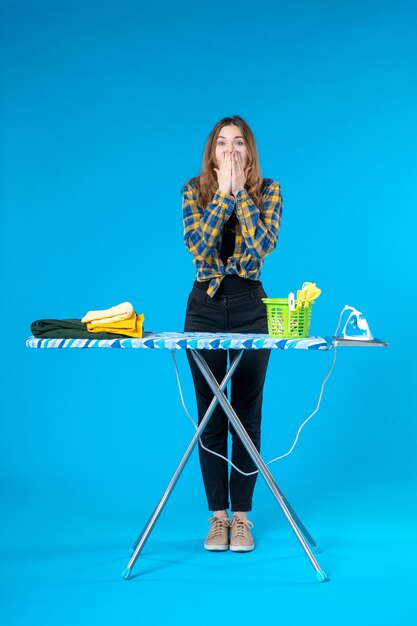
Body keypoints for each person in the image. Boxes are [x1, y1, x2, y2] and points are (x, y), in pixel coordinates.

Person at [181, 115, 283, 552]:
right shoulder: (193, 190)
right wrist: (222, 195)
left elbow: (261, 247)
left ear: (249, 151)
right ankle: (217, 518)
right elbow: (198, 246)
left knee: (245, 413)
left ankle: (241, 519)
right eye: (222, 143)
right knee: (211, 416)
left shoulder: (269, 190)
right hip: (203, 308)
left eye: (238, 143)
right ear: (212, 153)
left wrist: (240, 193)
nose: (230, 150)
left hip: (249, 308)